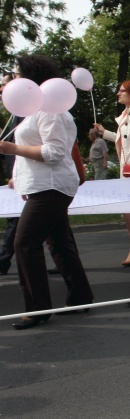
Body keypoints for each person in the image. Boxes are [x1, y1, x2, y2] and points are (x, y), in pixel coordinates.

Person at [0, 54, 94, 329]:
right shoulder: (34, 109)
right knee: (59, 243)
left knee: (24, 243)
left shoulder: (49, 109)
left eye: (17, 75)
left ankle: (38, 308)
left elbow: (53, 153)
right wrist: (18, 177)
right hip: (45, 185)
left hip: (53, 186)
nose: (13, 80)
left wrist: (11, 149)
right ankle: (80, 297)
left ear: (30, 77)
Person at [94, 80, 130, 266]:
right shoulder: (126, 114)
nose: (118, 93)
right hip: (128, 168)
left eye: (122, 90)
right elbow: (124, 139)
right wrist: (105, 133)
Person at [0, 72, 22, 275]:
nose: (1, 89)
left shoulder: (24, 112)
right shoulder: (14, 113)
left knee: (15, 221)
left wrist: (17, 174)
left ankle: (3, 261)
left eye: (4, 85)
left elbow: (22, 146)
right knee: (56, 228)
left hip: (22, 177)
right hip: (17, 175)